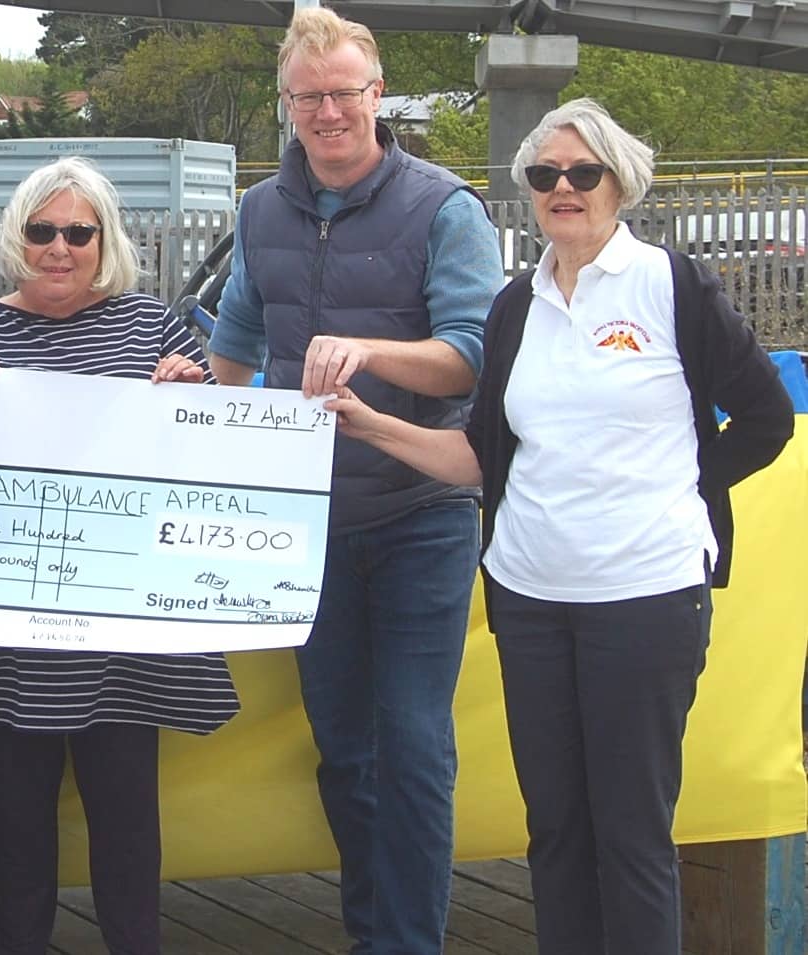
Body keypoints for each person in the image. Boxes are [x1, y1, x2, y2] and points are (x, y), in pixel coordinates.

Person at [327, 98, 794, 954]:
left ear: (621, 183)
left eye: (583, 173)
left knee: (632, 835)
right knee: (557, 832)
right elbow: (479, 458)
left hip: (646, 597)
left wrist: (679, 489)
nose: (563, 188)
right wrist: (369, 422)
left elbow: (767, 420)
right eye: (545, 176)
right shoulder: (514, 308)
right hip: (532, 599)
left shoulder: (673, 284)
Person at [207, 9, 505, 952]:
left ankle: (409, 943)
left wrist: (369, 350)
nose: (328, 111)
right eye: (309, 97)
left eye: (344, 92)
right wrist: (198, 399)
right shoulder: (260, 211)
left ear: (377, 95)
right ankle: (374, 932)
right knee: (345, 748)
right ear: (286, 105)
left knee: (416, 747)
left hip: (423, 511)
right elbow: (235, 345)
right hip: (308, 524)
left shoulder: (446, 206)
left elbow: (471, 358)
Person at [0, 156, 241, 955]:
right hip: (8, 631)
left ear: (105, 239)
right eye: (42, 231)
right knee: (19, 831)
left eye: (78, 231)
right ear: (17, 237)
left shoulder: (154, 328)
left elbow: (209, 469)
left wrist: (190, 400)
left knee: (129, 829)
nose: (59, 247)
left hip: (120, 630)